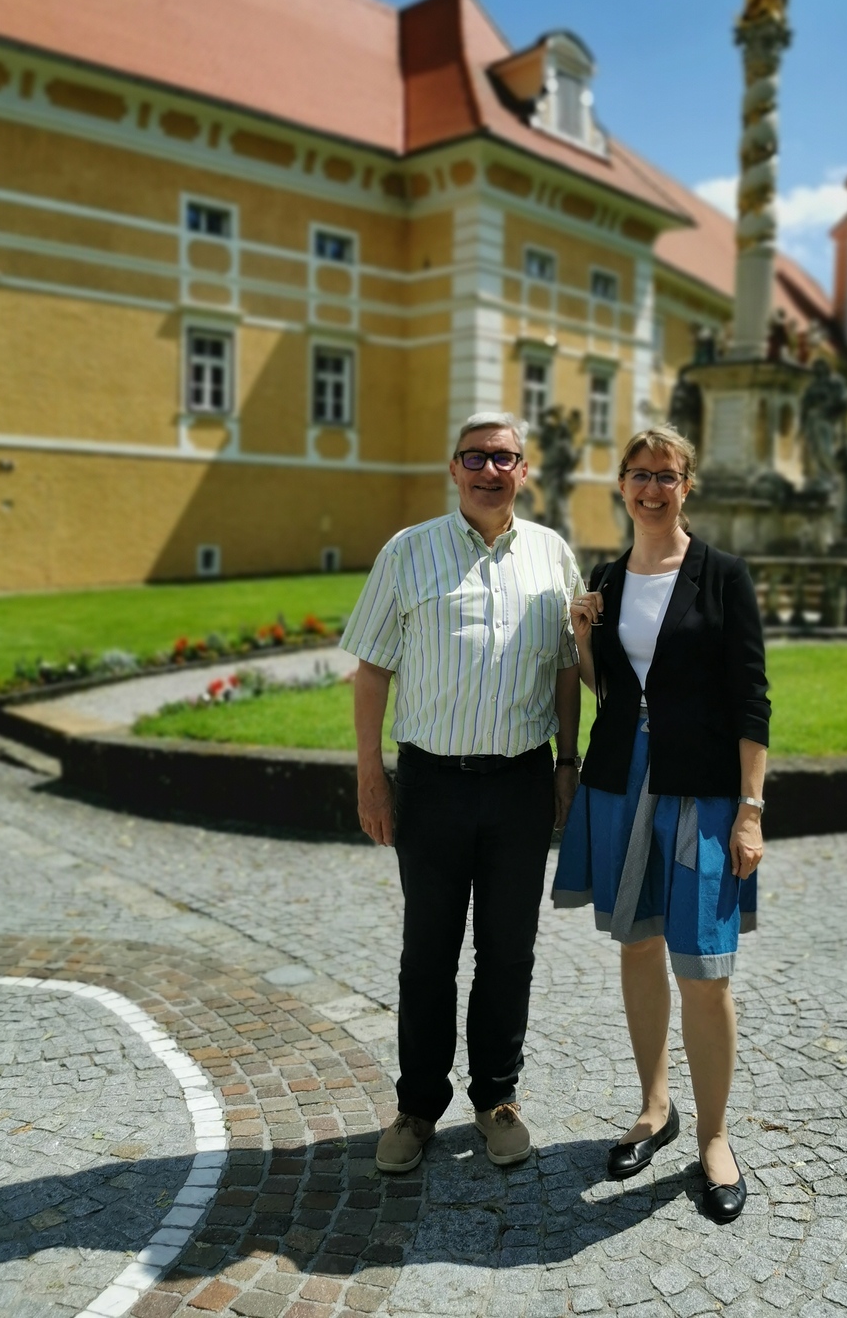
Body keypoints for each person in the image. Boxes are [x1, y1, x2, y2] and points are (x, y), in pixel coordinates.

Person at [341, 412, 583, 1174]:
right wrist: (370, 774)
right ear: (453, 469)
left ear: (523, 470)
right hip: (432, 785)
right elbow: (371, 669)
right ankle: (417, 1107)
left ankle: (495, 1098)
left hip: (519, 785)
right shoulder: (407, 552)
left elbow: (568, 668)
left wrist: (567, 761)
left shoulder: (551, 555)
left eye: (503, 458)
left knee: (508, 952)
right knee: (427, 954)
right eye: (474, 458)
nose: (489, 471)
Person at [552, 425, 770, 1225]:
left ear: (686, 485)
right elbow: (609, 690)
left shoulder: (723, 576)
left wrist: (750, 810)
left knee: (705, 969)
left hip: (702, 790)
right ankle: (654, 1107)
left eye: (666, 475)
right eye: (638, 475)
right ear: (621, 485)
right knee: (637, 943)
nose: (651, 489)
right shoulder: (607, 579)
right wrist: (583, 638)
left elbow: (751, 698)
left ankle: (714, 1138)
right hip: (621, 782)